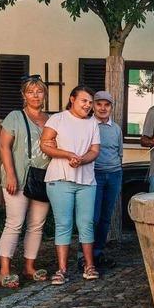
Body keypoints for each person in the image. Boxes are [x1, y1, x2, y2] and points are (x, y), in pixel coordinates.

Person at [40, 86, 101, 285]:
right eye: (84, 101)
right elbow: (46, 144)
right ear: (72, 99)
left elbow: (95, 150)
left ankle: (89, 265)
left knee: (86, 224)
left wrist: (82, 159)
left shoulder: (93, 123)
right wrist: (68, 155)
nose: (88, 105)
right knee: (64, 224)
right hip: (60, 179)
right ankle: (62, 269)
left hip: (86, 181)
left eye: (90, 102)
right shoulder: (58, 118)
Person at [0, 75, 51, 288]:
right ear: (24, 95)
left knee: (37, 225)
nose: (35, 95)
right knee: (14, 223)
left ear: (44, 94)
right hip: (18, 178)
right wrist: (10, 175)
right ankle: (4, 272)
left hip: (42, 178)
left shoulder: (51, 119)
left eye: (39, 91)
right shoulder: (15, 117)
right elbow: (4, 147)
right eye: (31, 91)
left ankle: (29, 267)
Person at [83, 90, 122, 269]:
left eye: (106, 105)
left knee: (106, 218)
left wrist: (117, 171)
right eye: (99, 104)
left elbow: (119, 153)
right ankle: (84, 257)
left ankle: (98, 254)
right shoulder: (87, 125)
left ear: (111, 107)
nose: (103, 108)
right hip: (94, 174)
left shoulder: (116, 129)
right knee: (93, 218)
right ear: (93, 106)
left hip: (114, 175)